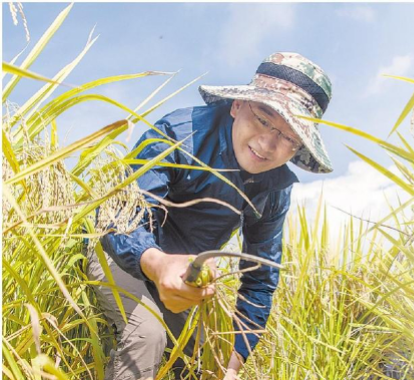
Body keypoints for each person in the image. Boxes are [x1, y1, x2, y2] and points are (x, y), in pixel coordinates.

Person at [87, 52, 333, 379]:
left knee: (209, 365)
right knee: (148, 334)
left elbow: (260, 279)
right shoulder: (179, 132)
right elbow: (119, 217)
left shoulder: (274, 188)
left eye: (288, 137)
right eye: (263, 119)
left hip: (187, 279)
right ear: (237, 106)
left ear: (298, 148)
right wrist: (157, 262)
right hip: (120, 255)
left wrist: (232, 365)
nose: (267, 144)